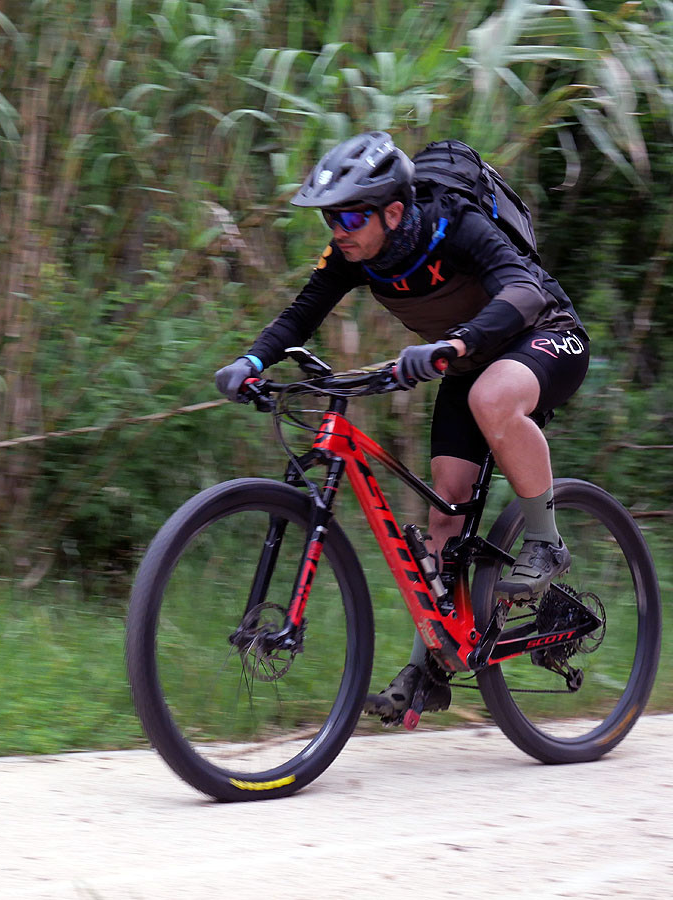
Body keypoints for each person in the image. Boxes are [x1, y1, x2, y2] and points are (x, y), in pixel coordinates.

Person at [214, 131, 589, 723]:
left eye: (350, 217)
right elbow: (302, 313)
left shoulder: (454, 223)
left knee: (492, 396)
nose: (339, 230)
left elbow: (522, 291)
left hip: (546, 337)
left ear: (393, 211)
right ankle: (428, 667)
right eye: (331, 218)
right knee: (445, 513)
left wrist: (455, 343)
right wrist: (251, 361)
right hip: (465, 361)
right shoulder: (353, 254)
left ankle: (546, 541)